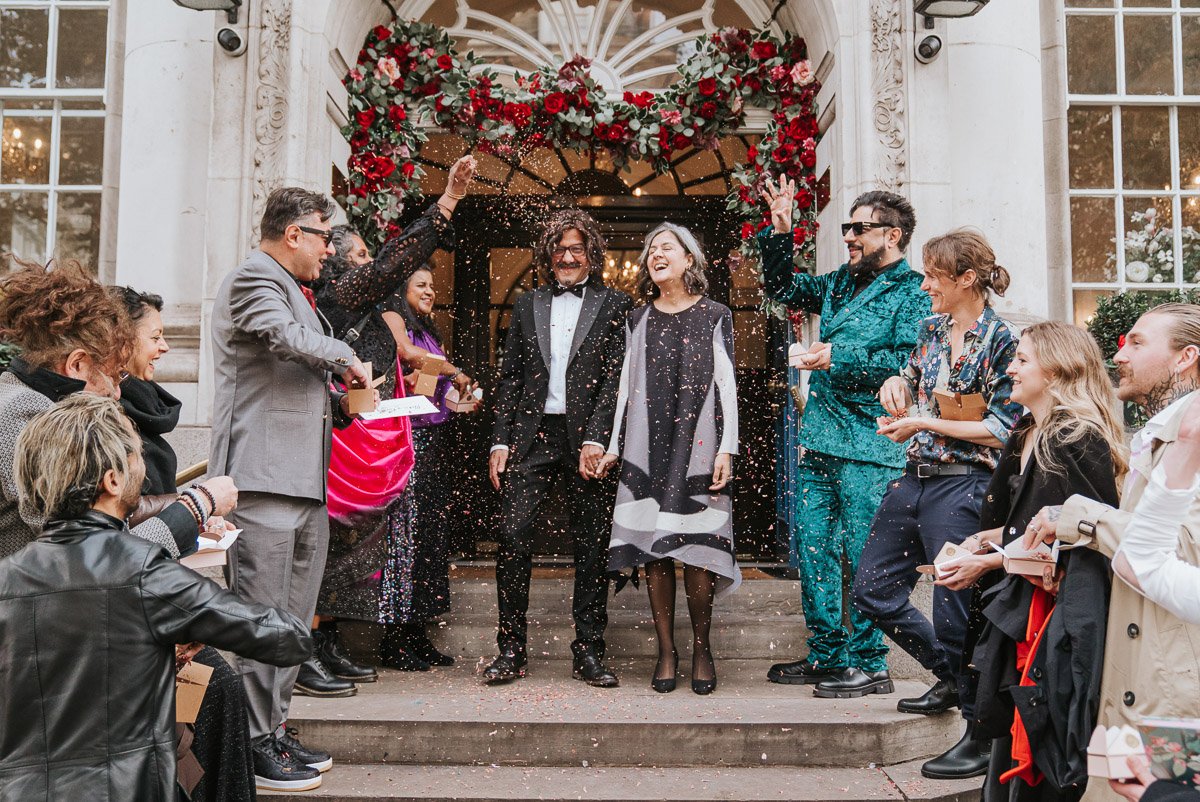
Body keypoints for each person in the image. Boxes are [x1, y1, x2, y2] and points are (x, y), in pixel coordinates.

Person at [0, 394, 312, 800]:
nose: (143, 469)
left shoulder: (7, 577)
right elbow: (287, 638)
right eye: (135, 455)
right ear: (111, 480)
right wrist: (194, 622)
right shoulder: (142, 570)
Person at [209, 187, 373, 791]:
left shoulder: (297, 291)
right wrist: (346, 355)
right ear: (294, 233)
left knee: (292, 624)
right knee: (261, 621)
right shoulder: (254, 278)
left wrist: (346, 403)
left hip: (305, 481)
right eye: (326, 237)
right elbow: (282, 338)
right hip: (260, 477)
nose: (332, 250)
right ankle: (252, 745)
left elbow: (297, 374)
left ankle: (273, 730)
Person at [852, 229, 1021, 779]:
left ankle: (978, 734)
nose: (924, 285)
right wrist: (894, 387)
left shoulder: (1003, 341)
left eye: (933, 276)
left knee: (957, 614)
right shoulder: (929, 329)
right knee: (871, 588)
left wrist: (923, 420)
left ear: (966, 279)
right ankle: (948, 676)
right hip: (914, 477)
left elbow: (1001, 429)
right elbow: (912, 380)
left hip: (966, 485)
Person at [936, 322, 1126, 800]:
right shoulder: (1026, 430)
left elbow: (1086, 538)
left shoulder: (1077, 438)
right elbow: (1034, 521)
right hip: (1019, 612)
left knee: (1038, 745)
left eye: (1022, 360)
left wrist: (991, 562)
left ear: (1058, 368)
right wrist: (989, 540)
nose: (1009, 368)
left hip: (1049, 624)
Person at [759, 178, 930, 697]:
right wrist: (781, 232)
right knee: (813, 550)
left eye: (860, 228)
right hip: (820, 438)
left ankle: (870, 663)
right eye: (848, 227)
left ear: (893, 235)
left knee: (863, 553)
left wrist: (838, 356)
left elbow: (908, 365)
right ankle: (828, 655)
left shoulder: (914, 292)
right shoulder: (836, 282)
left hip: (873, 444)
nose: (850, 236)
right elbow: (783, 289)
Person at [306, 157, 474, 687]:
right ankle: (312, 648)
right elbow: (391, 379)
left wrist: (442, 403)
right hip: (349, 445)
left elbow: (406, 389)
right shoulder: (340, 302)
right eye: (357, 256)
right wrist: (445, 203)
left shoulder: (374, 313)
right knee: (332, 550)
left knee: (349, 554)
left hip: (385, 444)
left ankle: (328, 644)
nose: (369, 262)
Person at [1023, 304, 1200, 762]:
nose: (1119, 354)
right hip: (1131, 682)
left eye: (1137, 343)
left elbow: (1181, 550)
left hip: (1172, 697)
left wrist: (1077, 516)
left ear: (1186, 358)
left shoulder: (1192, 442)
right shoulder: (1160, 436)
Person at [111, 285, 260, 802]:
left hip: (146, 600)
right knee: (217, 688)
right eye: (155, 336)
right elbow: (111, 533)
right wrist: (192, 508)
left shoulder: (131, 410)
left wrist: (189, 516)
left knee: (218, 690)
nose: (166, 347)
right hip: (118, 620)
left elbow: (136, 510)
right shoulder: (91, 421)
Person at [484, 209, 634, 686]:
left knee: (591, 544)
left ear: (592, 252)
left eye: (577, 249)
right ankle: (510, 649)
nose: (567, 257)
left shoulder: (616, 303)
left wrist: (598, 435)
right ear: (549, 255)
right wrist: (500, 439)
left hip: (588, 437)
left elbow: (616, 378)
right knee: (512, 535)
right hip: (531, 436)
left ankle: (589, 650)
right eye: (560, 249)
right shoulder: (527, 303)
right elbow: (510, 377)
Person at [0, 260, 236, 560]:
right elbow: (94, 552)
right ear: (77, 364)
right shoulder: (26, 413)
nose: (117, 392)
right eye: (115, 375)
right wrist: (197, 505)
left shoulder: (20, 396)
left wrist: (189, 524)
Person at [597, 222, 739, 695]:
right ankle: (665, 651)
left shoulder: (716, 313)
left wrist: (728, 447)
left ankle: (701, 647)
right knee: (655, 550)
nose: (655, 254)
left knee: (696, 547)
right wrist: (616, 446)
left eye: (666, 248)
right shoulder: (637, 318)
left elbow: (727, 387)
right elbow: (624, 386)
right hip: (647, 442)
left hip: (699, 442)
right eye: (650, 249)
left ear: (688, 260)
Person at [379, 263, 480, 668]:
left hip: (433, 442)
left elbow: (430, 388)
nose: (429, 291)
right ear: (401, 290)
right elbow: (407, 358)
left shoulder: (428, 332)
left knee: (427, 540)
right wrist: (455, 372)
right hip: (406, 443)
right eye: (420, 284)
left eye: (433, 286)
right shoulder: (394, 322)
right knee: (404, 539)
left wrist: (459, 400)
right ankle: (395, 640)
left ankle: (417, 633)